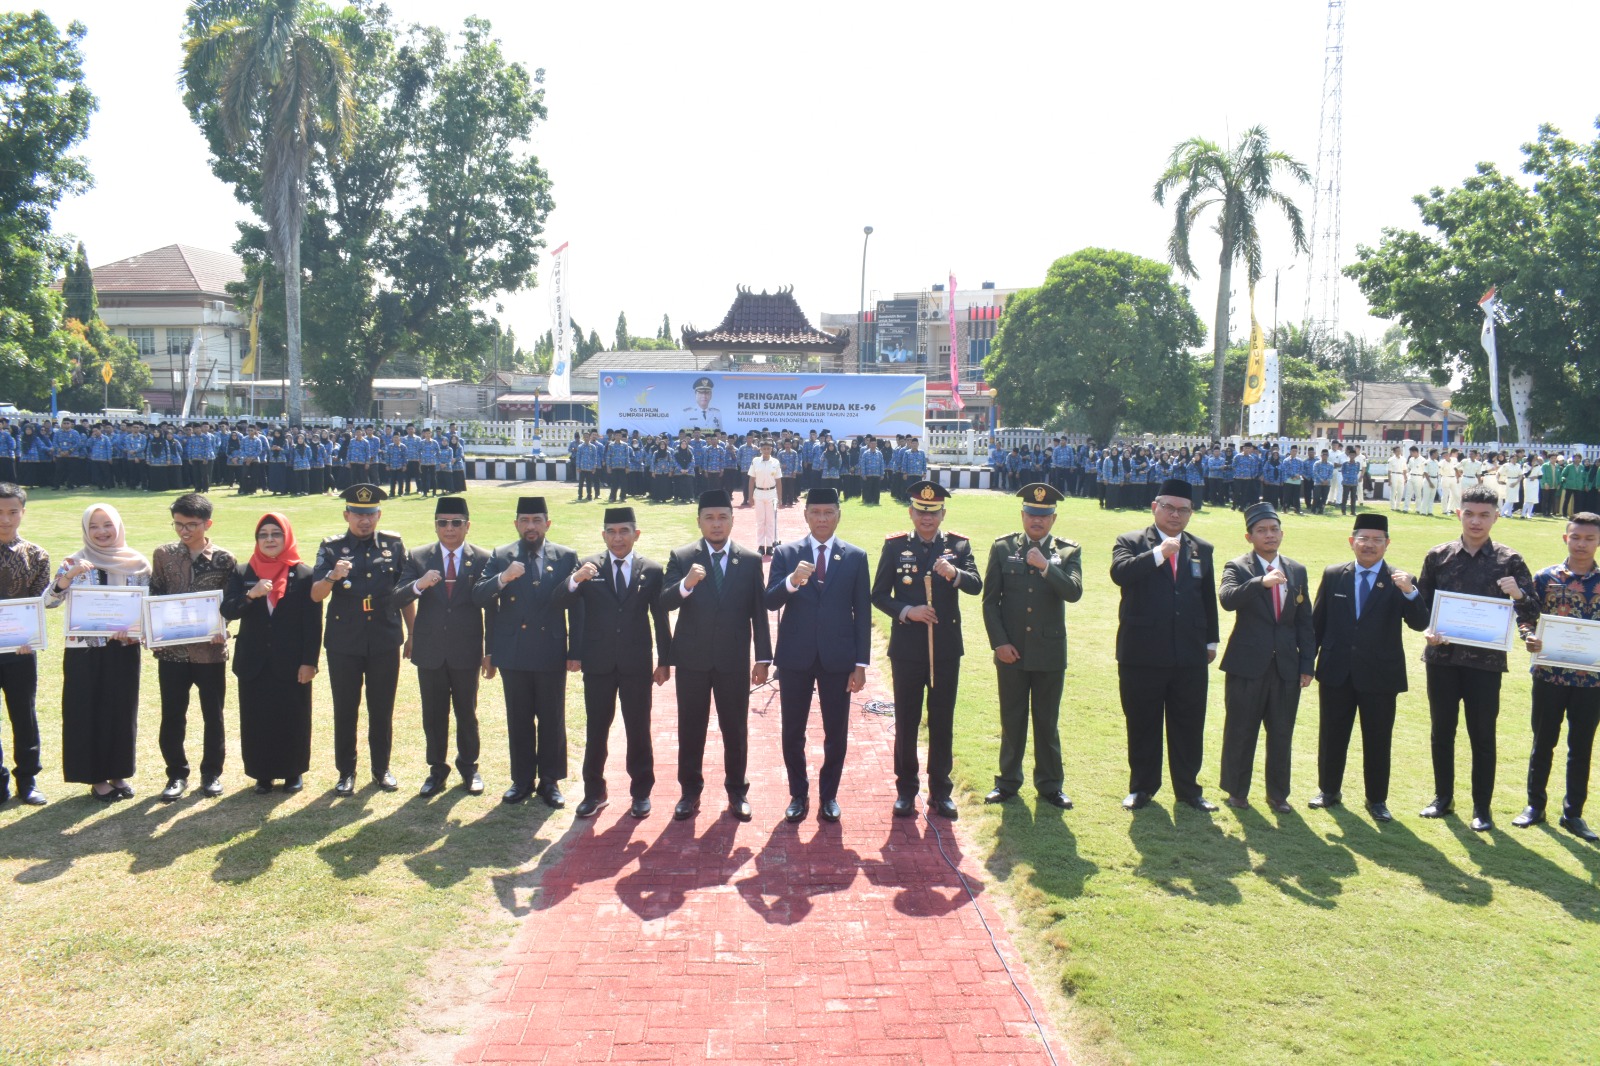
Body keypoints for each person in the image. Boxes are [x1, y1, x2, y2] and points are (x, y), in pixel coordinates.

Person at [1416, 486, 1539, 830]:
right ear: (1458, 513)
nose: (1476, 521)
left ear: (1496, 517)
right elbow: (1422, 607)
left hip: (1485, 664)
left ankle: (1481, 808)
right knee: (1443, 731)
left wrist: (1519, 594)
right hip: (1442, 658)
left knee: (1482, 735)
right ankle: (1443, 798)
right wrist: (1428, 630)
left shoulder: (1509, 560)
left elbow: (1532, 610)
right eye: (1469, 513)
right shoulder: (1438, 556)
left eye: (1484, 514)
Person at [871, 480, 982, 820]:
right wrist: (908, 612)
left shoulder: (958, 547)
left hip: (945, 649)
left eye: (933, 513)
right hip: (907, 649)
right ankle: (906, 789)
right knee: (906, 718)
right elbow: (878, 595)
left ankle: (941, 791)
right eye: (921, 511)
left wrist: (956, 573)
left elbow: (977, 585)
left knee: (942, 719)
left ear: (943, 514)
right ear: (911, 512)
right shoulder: (895, 547)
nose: (927, 518)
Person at [1308, 513, 1430, 821]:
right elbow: (1316, 624)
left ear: (1387, 544)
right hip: (1336, 670)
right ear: (1352, 542)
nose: (1369, 546)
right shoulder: (1335, 574)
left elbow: (1420, 623)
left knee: (1378, 739)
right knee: (1332, 734)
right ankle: (1328, 789)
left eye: (1377, 540)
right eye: (1363, 539)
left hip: (1380, 674)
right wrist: (1306, 664)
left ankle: (1377, 799)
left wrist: (1410, 593)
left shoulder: (1400, 579)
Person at [659, 490, 771, 821]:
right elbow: (664, 603)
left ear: (733, 520)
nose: (716, 524)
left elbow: (759, 613)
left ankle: (737, 791)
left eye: (723, 517)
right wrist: (686, 584)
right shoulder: (681, 557)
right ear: (699, 521)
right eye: (709, 517)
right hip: (692, 660)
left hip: (733, 661)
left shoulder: (750, 560)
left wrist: (763, 658)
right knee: (690, 728)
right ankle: (689, 792)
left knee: (735, 729)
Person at [1111, 478, 1221, 812]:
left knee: (1188, 723)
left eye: (1183, 509)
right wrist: (1159, 553)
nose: (1175, 515)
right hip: (1141, 651)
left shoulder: (1201, 548)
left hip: (1188, 652)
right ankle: (1142, 788)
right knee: (1143, 722)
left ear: (1191, 513)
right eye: (1169, 507)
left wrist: (1211, 639)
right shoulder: (1130, 541)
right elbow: (1120, 574)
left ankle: (1189, 790)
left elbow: (1206, 597)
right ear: (1154, 507)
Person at [556, 506, 671, 819]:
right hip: (598, 663)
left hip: (636, 663)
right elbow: (563, 605)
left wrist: (664, 660)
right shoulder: (587, 566)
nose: (617, 538)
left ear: (636, 534)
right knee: (597, 729)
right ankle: (594, 792)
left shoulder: (652, 569)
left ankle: (641, 792)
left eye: (624, 531)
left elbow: (659, 617)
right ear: (603, 534)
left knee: (638, 728)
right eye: (611, 532)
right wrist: (574, 580)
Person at [765, 487, 871, 823]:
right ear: (806, 514)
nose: (822, 519)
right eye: (816, 512)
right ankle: (798, 794)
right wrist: (793, 582)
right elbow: (769, 600)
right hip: (795, 657)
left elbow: (863, 613)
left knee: (835, 730)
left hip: (838, 658)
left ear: (839, 514)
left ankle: (829, 796)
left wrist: (860, 664)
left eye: (829, 512)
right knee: (792, 730)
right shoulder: (786, 553)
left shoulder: (855, 556)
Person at [473, 496, 581, 807]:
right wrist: (503, 578)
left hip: (550, 649)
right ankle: (521, 780)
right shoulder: (501, 555)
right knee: (518, 717)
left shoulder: (565, 556)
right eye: (524, 521)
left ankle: (550, 781)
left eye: (536, 521)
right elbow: (481, 599)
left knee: (551, 717)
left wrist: (575, 649)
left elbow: (577, 607)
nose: (530, 527)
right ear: (516, 524)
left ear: (548, 523)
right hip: (514, 651)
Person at [980, 483, 1082, 809]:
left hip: (1049, 653)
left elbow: (1073, 592)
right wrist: (1000, 644)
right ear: (1023, 515)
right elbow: (989, 603)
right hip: (1011, 652)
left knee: (1046, 721)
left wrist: (1045, 566)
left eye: (1045, 516)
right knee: (1012, 720)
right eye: (1032, 514)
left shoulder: (1067, 552)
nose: (1037, 521)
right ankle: (1008, 782)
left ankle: (1051, 785)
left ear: (1054, 519)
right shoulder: (1002, 548)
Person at [46, 503, 150, 801]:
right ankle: (95, 777)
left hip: (123, 649)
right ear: (85, 530)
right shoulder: (73, 561)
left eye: (107, 524)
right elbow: (48, 602)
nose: (102, 532)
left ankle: (118, 773)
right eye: (94, 526)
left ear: (118, 526)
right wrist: (68, 577)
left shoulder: (138, 563)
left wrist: (134, 630)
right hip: (84, 652)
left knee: (120, 710)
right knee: (86, 710)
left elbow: (146, 607)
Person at [1216, 502, 1315, 812]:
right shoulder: (1238, 567)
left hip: (1285, 666)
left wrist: (1306, 664)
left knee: (1282, 732)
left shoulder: (1296, 569)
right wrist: (1260, 582)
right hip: (1247, 664)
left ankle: (1278, 794)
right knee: (1241, 730)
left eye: (1274, 530)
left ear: (1282, 533)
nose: (1269, 535)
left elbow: (1304, 622)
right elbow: (1227, 600)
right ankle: (1236, 791)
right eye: (1261, 531)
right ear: (1249, 537)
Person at [311, 484, 408, 796]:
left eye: (370, 514)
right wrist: (332, 576)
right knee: (346, 708)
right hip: (345, 641)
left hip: (384, 637)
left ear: (378, 514)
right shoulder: (331, 547)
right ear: (346, 514)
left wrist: (414, 634)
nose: (364, 520)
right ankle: (346, 772)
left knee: (382, 708)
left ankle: (381, 769)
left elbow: (405, 594)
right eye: (357, 514)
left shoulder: (393, 545)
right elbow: (316, 595)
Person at [393, 496, 491, 797]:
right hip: (430, 649)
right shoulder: (419, 557)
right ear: (435, 526)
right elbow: (397, 597)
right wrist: (419, 585)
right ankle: (437, 770)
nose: (449, 529)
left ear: (467, 526)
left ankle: (469, 767)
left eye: (456, 523)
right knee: (433, 714)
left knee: (466, 711)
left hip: (466, 649)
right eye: (443, 523)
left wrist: (490, 651)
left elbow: (494, 607)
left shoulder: (484, 558)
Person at [1512, 512, 1600, 842]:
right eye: (1575, 537)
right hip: (1549, 676)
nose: (1582, 544)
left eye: (1589, 538)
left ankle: (1573, 813)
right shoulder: (1545, 578)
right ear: (1566, 538)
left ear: (1598, 541)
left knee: (1581, 747)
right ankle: (1535, 806)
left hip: (1592, 682)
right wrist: (1528, 637)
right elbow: (1526, 614)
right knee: (1543, 742)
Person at [220, 513, 322, 792]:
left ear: (286, 537)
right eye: (263, 534)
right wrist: (250, 595)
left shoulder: (304, 574)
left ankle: (293, 772)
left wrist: (309, 662)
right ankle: (261, 774)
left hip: (291, 662)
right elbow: (228, 610)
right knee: (256, 719)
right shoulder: (243, 572)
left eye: (276, 534)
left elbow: (312, 624)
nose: (269, 539)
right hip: (253, 661)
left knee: (293, 716)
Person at [150, 493, 236, 802]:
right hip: (172, 651)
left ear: (207, 523)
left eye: (191, 525)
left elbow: (230, 603)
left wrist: (222, 628)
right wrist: (154, 632)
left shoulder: (225, 560)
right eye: (178, 524)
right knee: (173, 714)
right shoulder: (163, 554)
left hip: (210, 651)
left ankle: (211, 773)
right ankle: (176, 774)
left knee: (213, 714)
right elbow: (155, 595)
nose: (184, 531)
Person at [0, 484, 50, 806]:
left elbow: (42, 603)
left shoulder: (36, 555)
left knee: (24, 714)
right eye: (0, 512)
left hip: (20, 651)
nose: (5, 519)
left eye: (12, 512)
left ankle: (27, 779)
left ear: (23, 512)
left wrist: (29, 638)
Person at [746, 437, 784, 556]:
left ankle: (770, 545)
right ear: (760, 449)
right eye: (764, 448)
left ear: (771, 449)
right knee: (761, 520)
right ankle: (761, 546)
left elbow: (778, 481)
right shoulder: (755, 461)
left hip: (772, 493)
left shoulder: (776, 462)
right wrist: (750, 497)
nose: (766, 451)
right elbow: (752, 480)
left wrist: (780, 498)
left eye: (768, 448)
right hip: (759, 493)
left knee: (771, 521)